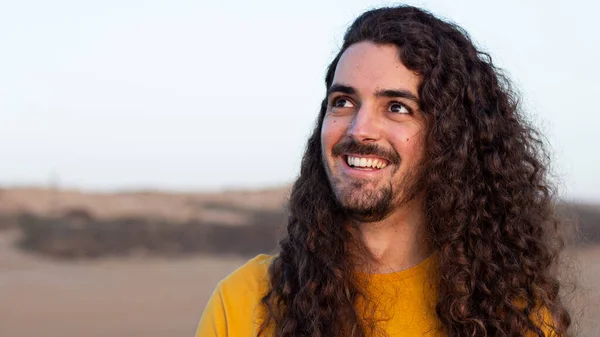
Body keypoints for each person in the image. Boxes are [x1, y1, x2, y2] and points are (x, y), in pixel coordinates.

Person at [196, 5, 572, 337]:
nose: (359, 129)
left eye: (397, 107)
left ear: (451, 138)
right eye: (343, 102)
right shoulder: (242, 304)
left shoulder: (513, 319)